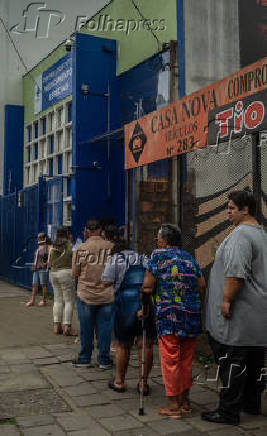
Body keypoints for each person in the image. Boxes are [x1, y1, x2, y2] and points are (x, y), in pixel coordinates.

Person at [202, 190, 267, 426]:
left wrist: (226, 300)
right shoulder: (261, 234)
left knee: (232, 361)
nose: (227, 212)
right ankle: (251, 404)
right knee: (254, 360)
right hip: (257, 315)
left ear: (245, 209)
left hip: (240, 313)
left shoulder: (241, 236)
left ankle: (228, 411)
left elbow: (236, 273)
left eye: (231, 208)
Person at [142, 224, 205, 418]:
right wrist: (193, 304)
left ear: (165, 240)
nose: (156, 240)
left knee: (170, 360)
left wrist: (145, 307)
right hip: (191, 316)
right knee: (186, 361)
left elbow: (147, 286)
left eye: (159, 237)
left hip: (169, 316)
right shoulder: (189, 258)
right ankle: (185, 401)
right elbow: (201, 285)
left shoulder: (157, 256)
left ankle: (173, 406)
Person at [101, 243, 156, 394]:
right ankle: (143, 384)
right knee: (145, 344)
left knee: (123, 345)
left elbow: (106, 281)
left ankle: (119, 382)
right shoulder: (144, 258)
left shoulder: (115, 259)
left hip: (125, 304)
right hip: (145, 300)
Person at [72, 219, 114, 369]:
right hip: (106, 295)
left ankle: (84, 358)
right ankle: (103, 359)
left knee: (86, 328)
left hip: (86, 294)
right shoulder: (111, 247)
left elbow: (75, 273)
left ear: (87, 231)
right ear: (100, 230)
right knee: (105, 329)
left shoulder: (80, 248)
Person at [49, 226, 74, 335]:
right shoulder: (69, 245)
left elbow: (49, 261)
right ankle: (67, 327)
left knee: (57, 300)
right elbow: (74, 258)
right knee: (68, 300)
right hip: (66, 272)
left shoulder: (53, 245)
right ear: (67, 234)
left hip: (53, 273)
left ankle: (56, 326)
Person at [25, 232, 51, 307]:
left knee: (43, 285)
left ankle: (44, 301)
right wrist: (33, 266)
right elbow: (36, 259)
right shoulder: (39, 247)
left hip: (43, 269)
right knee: (34, 285)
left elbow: (50, 258)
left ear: (43, 238)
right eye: (38, 237)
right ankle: (32, 301)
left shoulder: (47, 247)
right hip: (36, 269)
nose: (37, 239)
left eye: (39, 237)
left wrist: (46, 264)